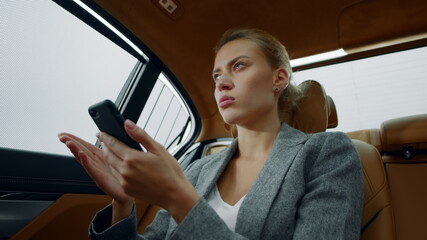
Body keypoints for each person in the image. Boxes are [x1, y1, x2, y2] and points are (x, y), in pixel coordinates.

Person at [58, 28, 363, 239]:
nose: (221, 82)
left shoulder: (327, 152)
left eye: (239, 66)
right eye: (217, 74)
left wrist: (178, 199)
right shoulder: (198, 169)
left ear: (278, 78)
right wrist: (123, 205)